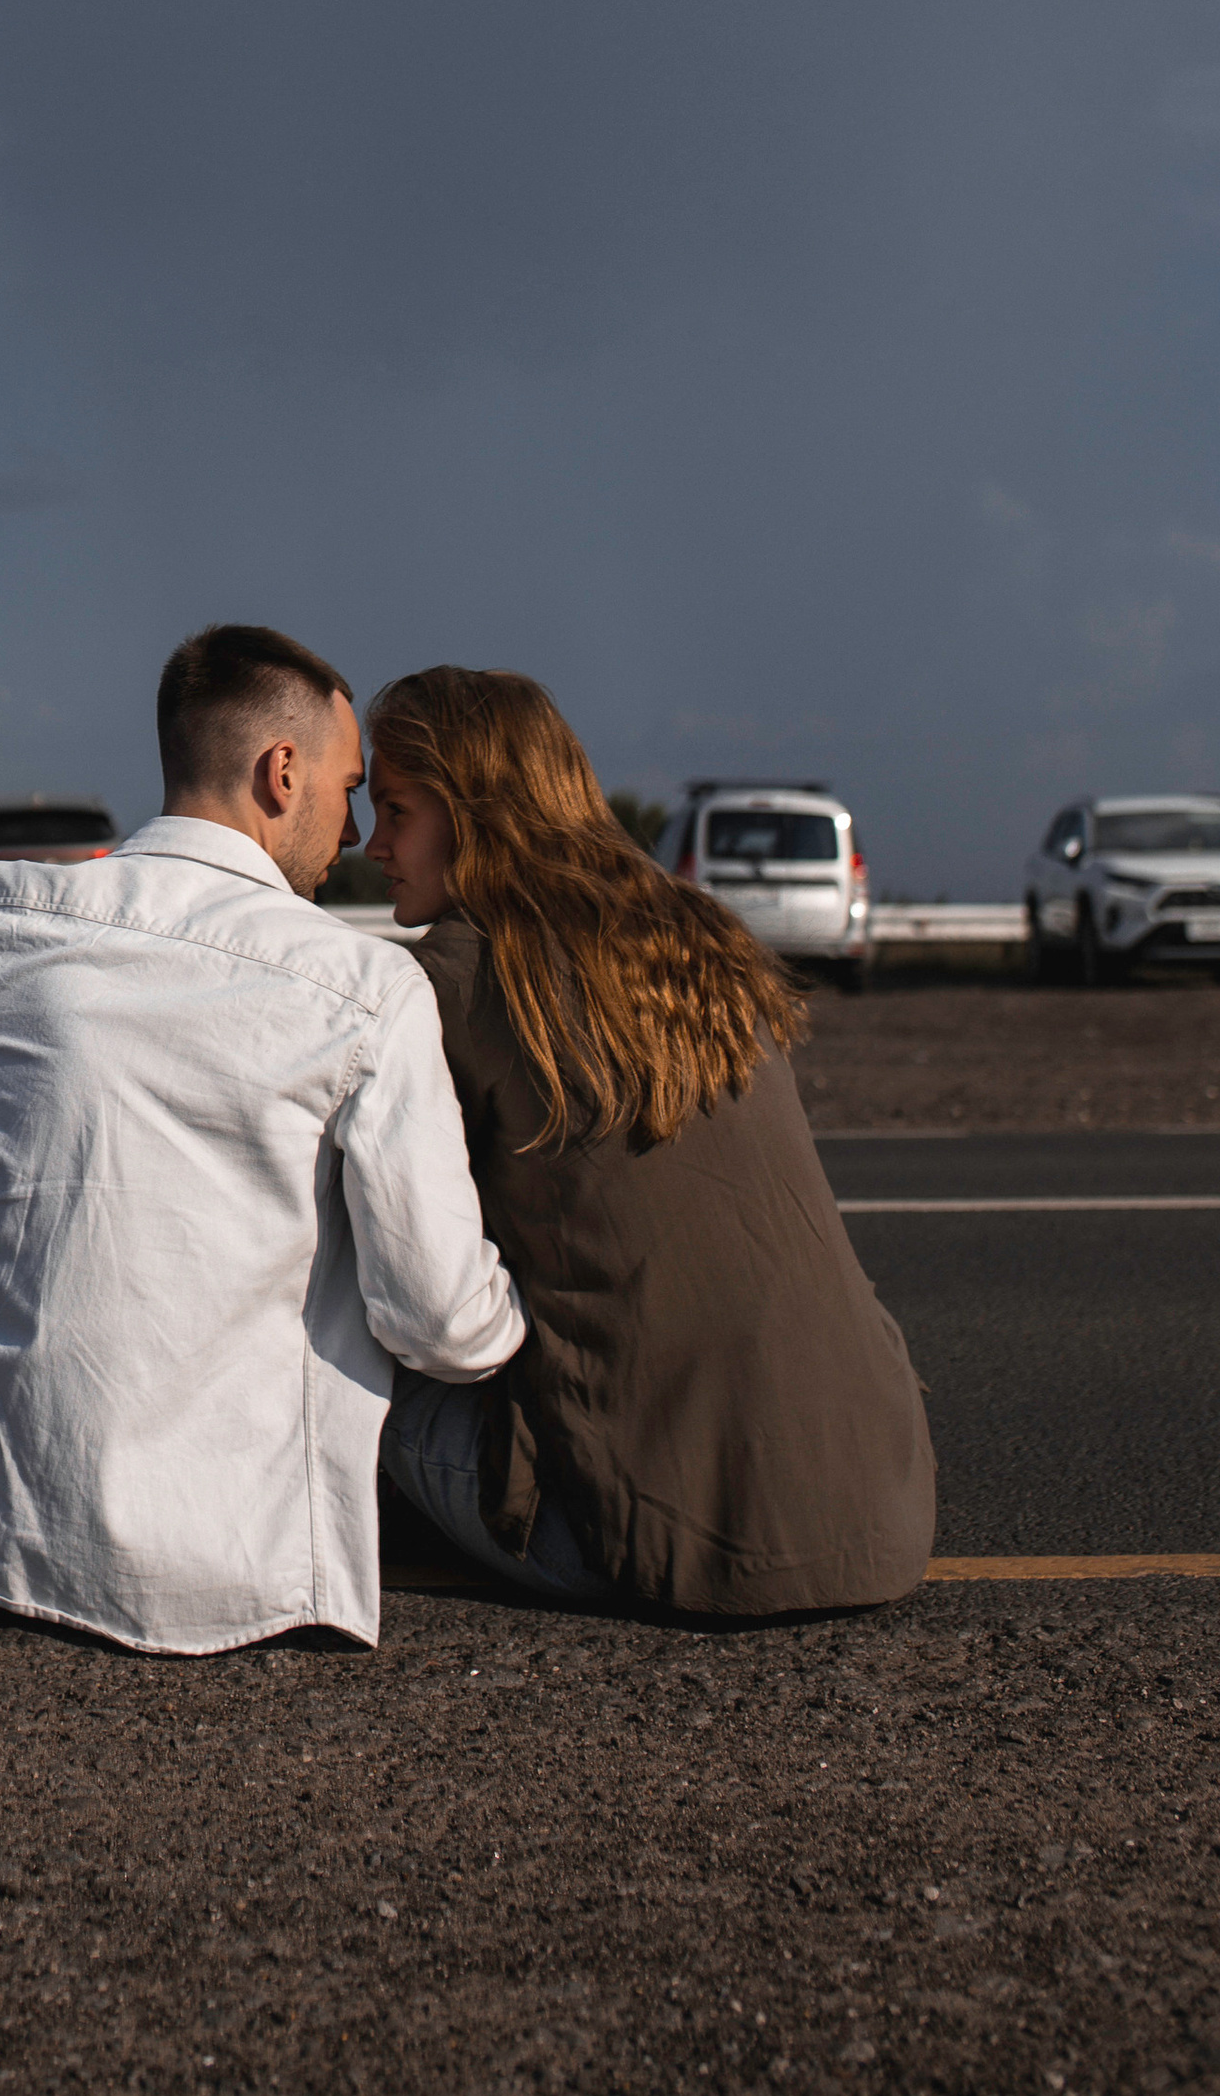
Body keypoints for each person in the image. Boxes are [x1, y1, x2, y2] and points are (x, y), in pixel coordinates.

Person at [0, 624, 526, 1652]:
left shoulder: (1, 912)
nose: (351, 832)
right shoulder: (365, 987)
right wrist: (522, 1316)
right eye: (349, 790)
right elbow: (438, 1324)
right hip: (222, 1570)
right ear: (282, 771)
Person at [364, 668, 935, 1618]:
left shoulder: (453, 980)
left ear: (475, 814)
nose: (372, 844)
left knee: (351, 1361)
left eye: (395, 810)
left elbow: (420, 1288)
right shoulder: (699, 937)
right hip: (883, 1513)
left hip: (653, 1548)